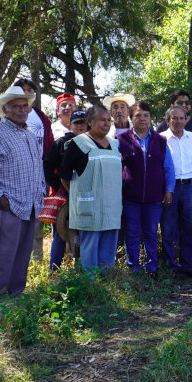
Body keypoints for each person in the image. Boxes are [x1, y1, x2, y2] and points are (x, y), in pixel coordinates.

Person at [0, 83, 47, 296]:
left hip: (30, 204)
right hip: (8, 204)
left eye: (24, 106)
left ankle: (16, 295)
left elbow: (38, 164)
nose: (21, 110)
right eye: (16, 106)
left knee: (23, 252)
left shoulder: (28, 134)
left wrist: (41, 193)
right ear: (5, 109)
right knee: (5, 253)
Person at [58, 106, 123, 274]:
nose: (106, 124)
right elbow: (64, 175)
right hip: (89, 206)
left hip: (111, 206)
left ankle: (106, 283)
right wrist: (77, 194)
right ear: (90, 122)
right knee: (89, 246)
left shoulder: (115, 144)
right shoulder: (78, 144)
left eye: (109, 120)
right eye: (102, 120)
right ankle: (89, 285)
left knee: (109, 245)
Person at [118, 101, 174, 274]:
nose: (142, 119)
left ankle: (152, 268)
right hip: (130, 197)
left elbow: (169, 168)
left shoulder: (160, 140)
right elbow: (116, 168)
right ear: (131, 118)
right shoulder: (121, 140)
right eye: (138, 115)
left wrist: (169, 190)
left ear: (150, 118)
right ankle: (133, 267)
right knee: (132, 233)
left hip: (154, 197)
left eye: (146, 115)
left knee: (150, 232)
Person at [161, 105, 192, 277]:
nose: (178, 121)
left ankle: (186, 266)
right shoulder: (161, 138)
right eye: (174, 118)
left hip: (188, 187)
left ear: (187, 120)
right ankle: (170, 267)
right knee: (168, 228)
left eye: (181, 118)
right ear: (168, 121)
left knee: (189, 228)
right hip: (169, 189)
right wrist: (165, 189)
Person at [44, 109, 88, 270]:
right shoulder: (60, 143)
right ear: (70, 125)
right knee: (60, 233)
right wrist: (58, 186)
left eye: (83, 122)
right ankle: (54, 270)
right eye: (77, 123)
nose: (80, 126)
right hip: (64, 196)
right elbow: (47, 166)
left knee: (82, 233)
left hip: (86, 196)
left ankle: (79, 271)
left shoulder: (94, 143)